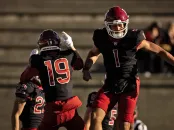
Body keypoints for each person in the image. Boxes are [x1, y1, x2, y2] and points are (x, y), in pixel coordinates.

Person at [82, 6, 174, 130]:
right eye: (115, 25)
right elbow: (94, 53)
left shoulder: (133, 38)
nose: (119, 28)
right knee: (95, 116)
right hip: (110, 83)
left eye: (121, 24)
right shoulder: (102, 37)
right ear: (108, 25)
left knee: (124, 125)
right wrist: (87, 68)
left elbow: (158, 50)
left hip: (129, 84)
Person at [20, 29, 85, 130]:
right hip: (70, 109)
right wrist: (72, 47)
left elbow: (24, 78)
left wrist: (30, 63)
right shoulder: (68, 55)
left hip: (52, 109)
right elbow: (80, 64)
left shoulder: (37, 59)